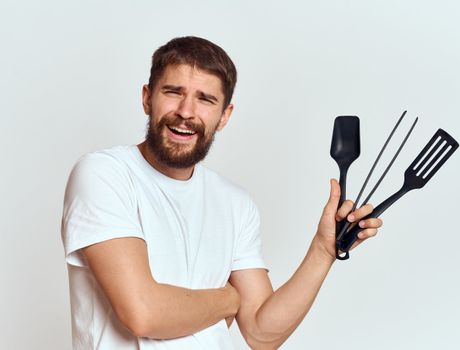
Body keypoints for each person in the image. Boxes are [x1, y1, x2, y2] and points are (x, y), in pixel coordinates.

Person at [61, 36, 383, 349]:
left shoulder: (235, 202)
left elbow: (261, 333)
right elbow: (143, 312)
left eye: (205, 99)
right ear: (147, 98)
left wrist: (323, 250)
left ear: (224, 116)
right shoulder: (104, 174)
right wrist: (228, 299)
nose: (186, 112)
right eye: (173, 92)